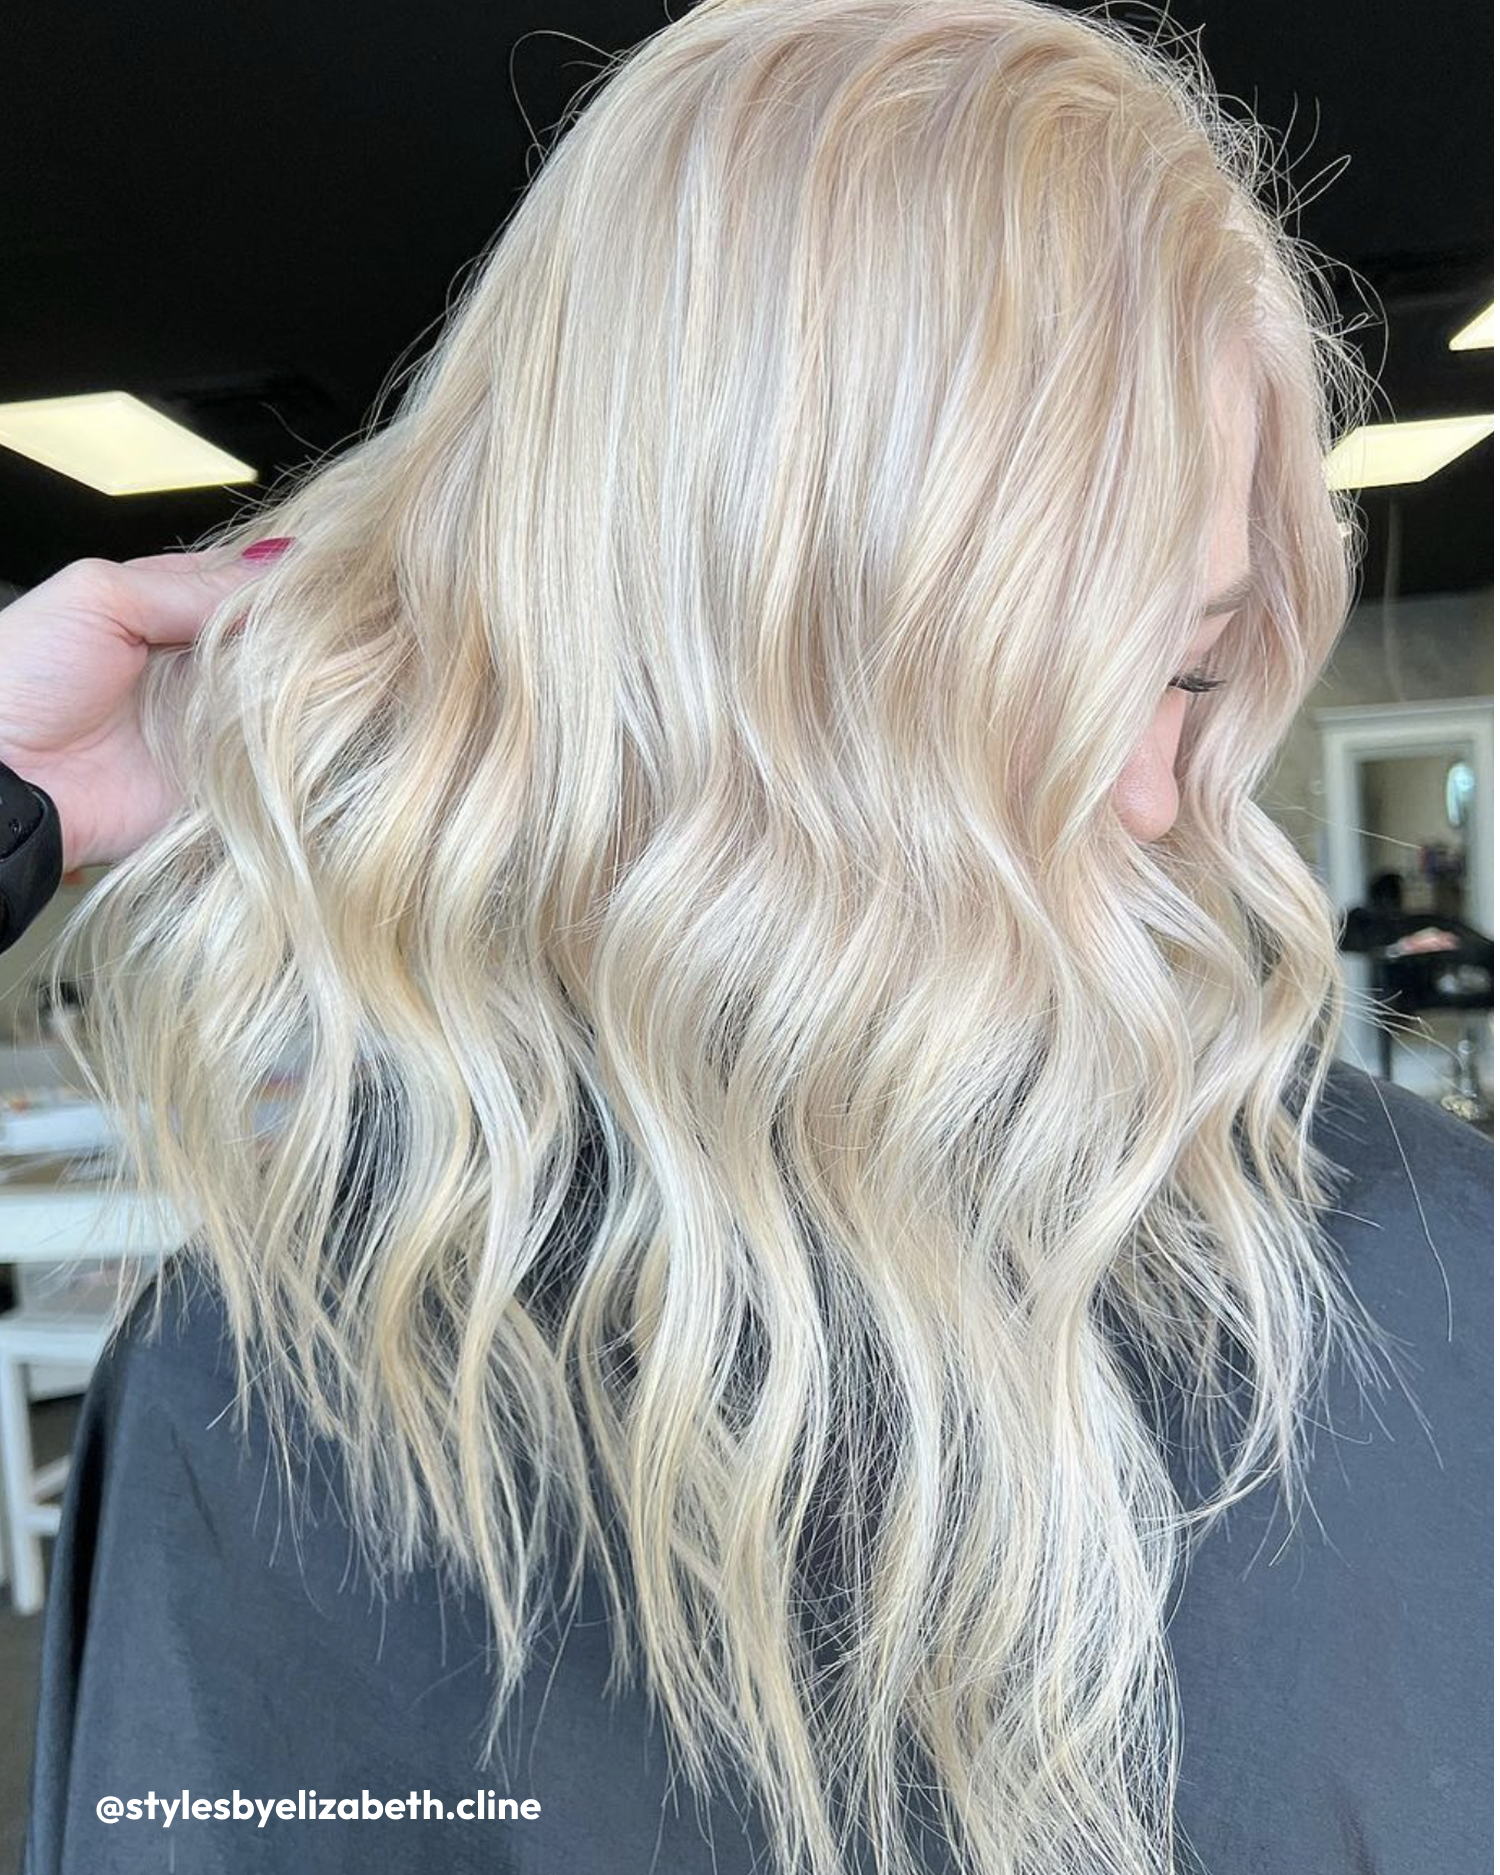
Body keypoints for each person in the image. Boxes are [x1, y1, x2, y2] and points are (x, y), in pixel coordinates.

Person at [2, 3, 1490, 1873]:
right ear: (669, 689)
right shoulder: (270, 1402)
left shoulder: (1445, 1304)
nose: (1151, 798)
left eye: (1187, 664)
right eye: (988, 695)